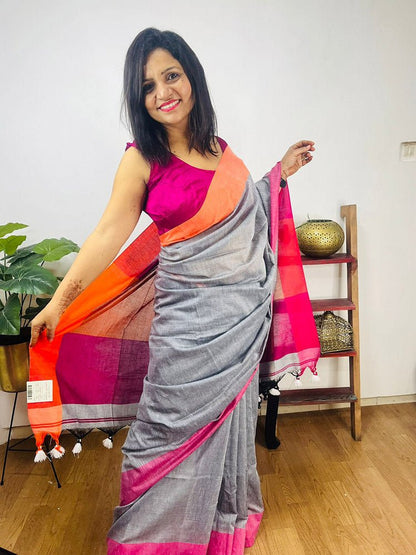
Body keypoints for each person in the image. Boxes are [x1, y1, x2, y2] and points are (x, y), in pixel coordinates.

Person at [30, 27, 315, 554]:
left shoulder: (221, 151)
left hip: (238, 323)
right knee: (160, 434)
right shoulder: (142, 157)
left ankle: (219, 524)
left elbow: (244, 215)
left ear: (192, 78)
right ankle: (149, 540)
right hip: (184, 329)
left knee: (230, 430)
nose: (162, 92)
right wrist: (58, 302)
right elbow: (107, 235)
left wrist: (278, 175)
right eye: (147, 86)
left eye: (171, 76)